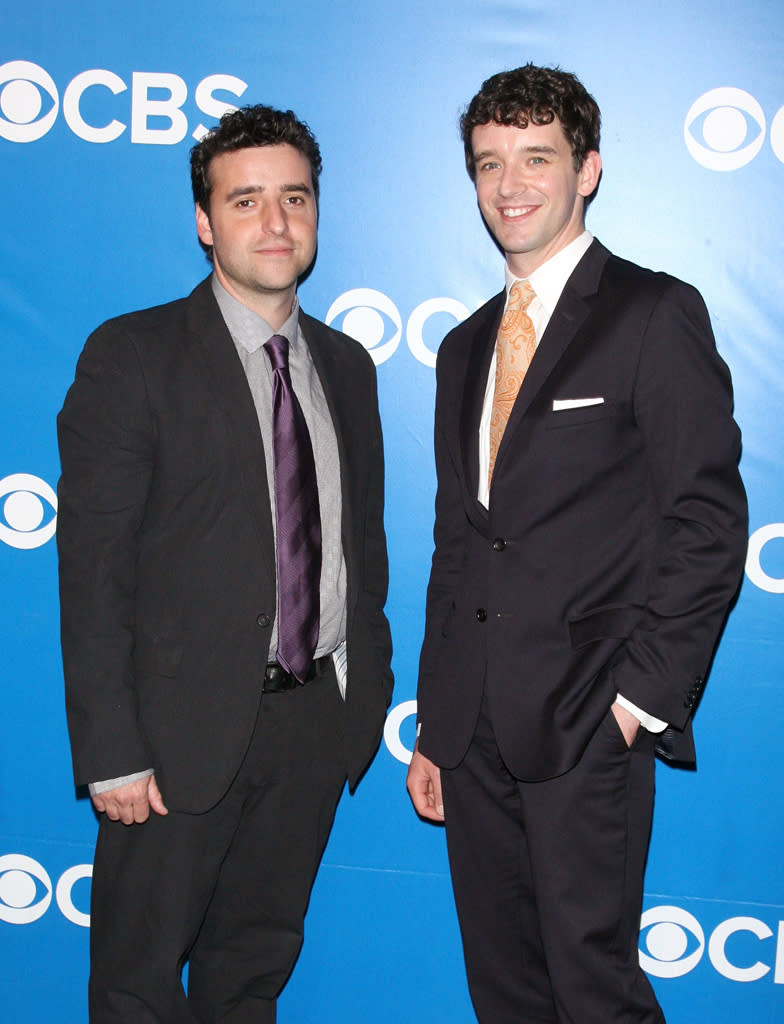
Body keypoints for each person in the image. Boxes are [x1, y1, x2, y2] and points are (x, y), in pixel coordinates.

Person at [407, 65, 747, 1023]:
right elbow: (459, 541)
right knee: (505, 991)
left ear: (587, 170)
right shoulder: (465, 345)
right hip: (472, 731)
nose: (510, 184)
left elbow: (710, 526)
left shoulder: (652, 314)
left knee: (594, 991)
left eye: (537, 158)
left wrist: (637, 703)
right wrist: (438, 720)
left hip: (588, 720)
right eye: (489, 163)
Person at [57, 103, 393, 1023]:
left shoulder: (350, 366)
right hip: (171, 743)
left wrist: (359, 700)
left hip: (310, 731)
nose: (275, 222)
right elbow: (93, 573)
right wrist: (112, 751)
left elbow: (362, 546)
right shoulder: (133, 356)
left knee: (251, 977)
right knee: (138, 984)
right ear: (206, 223)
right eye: (245, 201)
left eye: (295, 197)